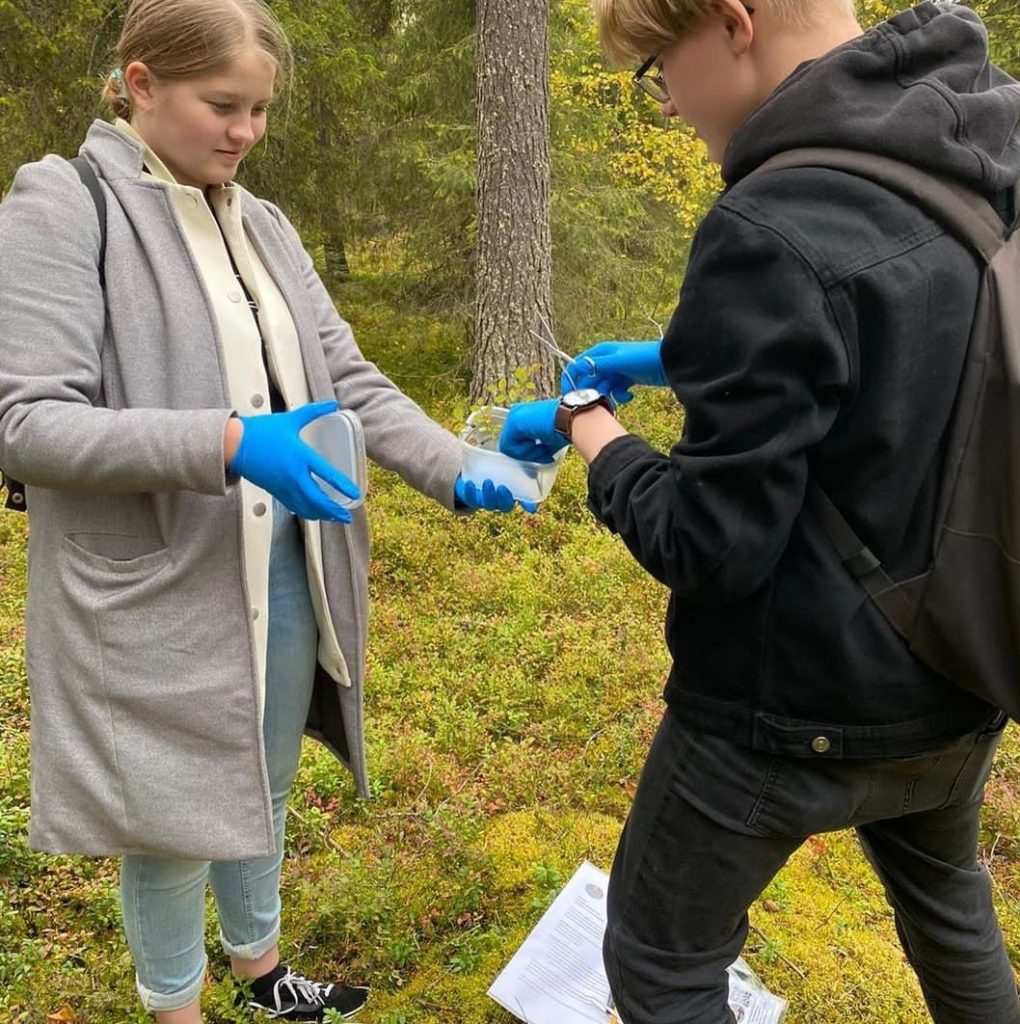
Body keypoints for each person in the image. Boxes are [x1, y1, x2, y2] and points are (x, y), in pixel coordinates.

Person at [0, 1, 528, 1020]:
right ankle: (175, 1005)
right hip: (156, 586)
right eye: (222, 105)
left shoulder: (262, 221)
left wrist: (455, 466)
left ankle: (261, 972)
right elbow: (25, 422)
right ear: (142, 83)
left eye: (261, 111)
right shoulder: (63, 207)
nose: (245, 132)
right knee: (171, 821)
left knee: (261, 785)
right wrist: (231, 442)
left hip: (289, 572)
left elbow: (351, 381)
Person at [500, 0, 1020, 1021]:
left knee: (660, 958)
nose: (670, 105)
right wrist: (691, 354)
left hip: (782, 710)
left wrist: (588, 427)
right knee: (953, 916)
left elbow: (708, 542)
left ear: (733, 23)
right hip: (960, 664)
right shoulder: (985, 134)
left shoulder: (773, 220)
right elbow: (914, 345)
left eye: (658, 66)